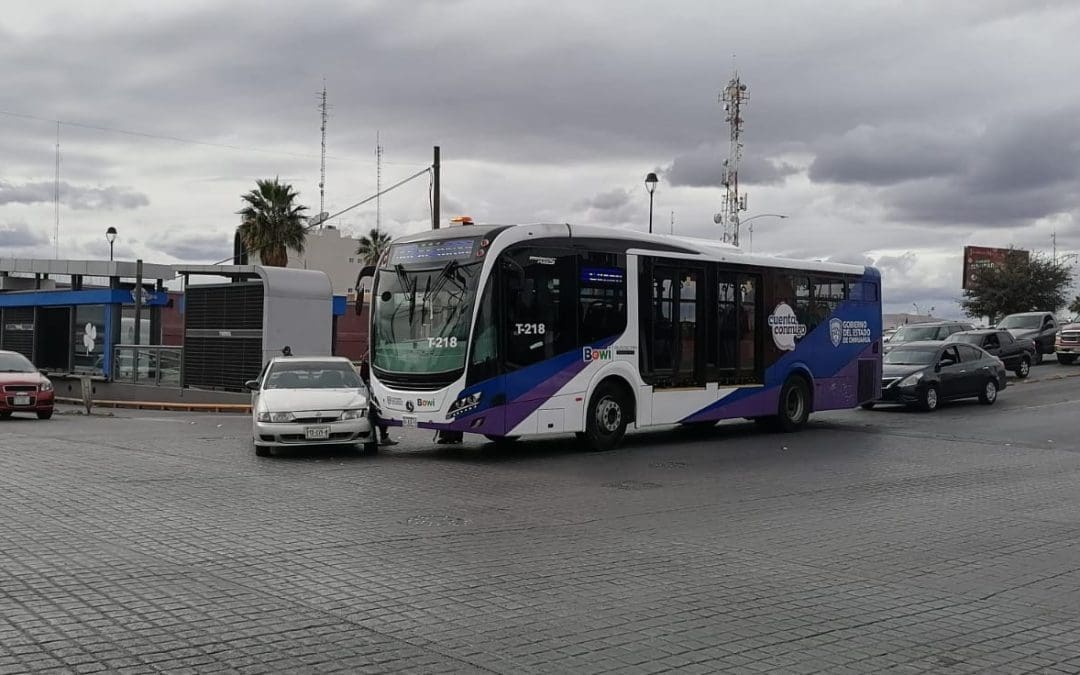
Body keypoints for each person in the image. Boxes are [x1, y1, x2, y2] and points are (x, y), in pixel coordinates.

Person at [358, 358, 396, 446]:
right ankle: (377, 438)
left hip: (378, 388)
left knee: (381, 413)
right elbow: (364, 377)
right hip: (373, 390)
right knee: (375, 414)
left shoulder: (374, 355)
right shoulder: (369, 357)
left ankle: (382, 437)